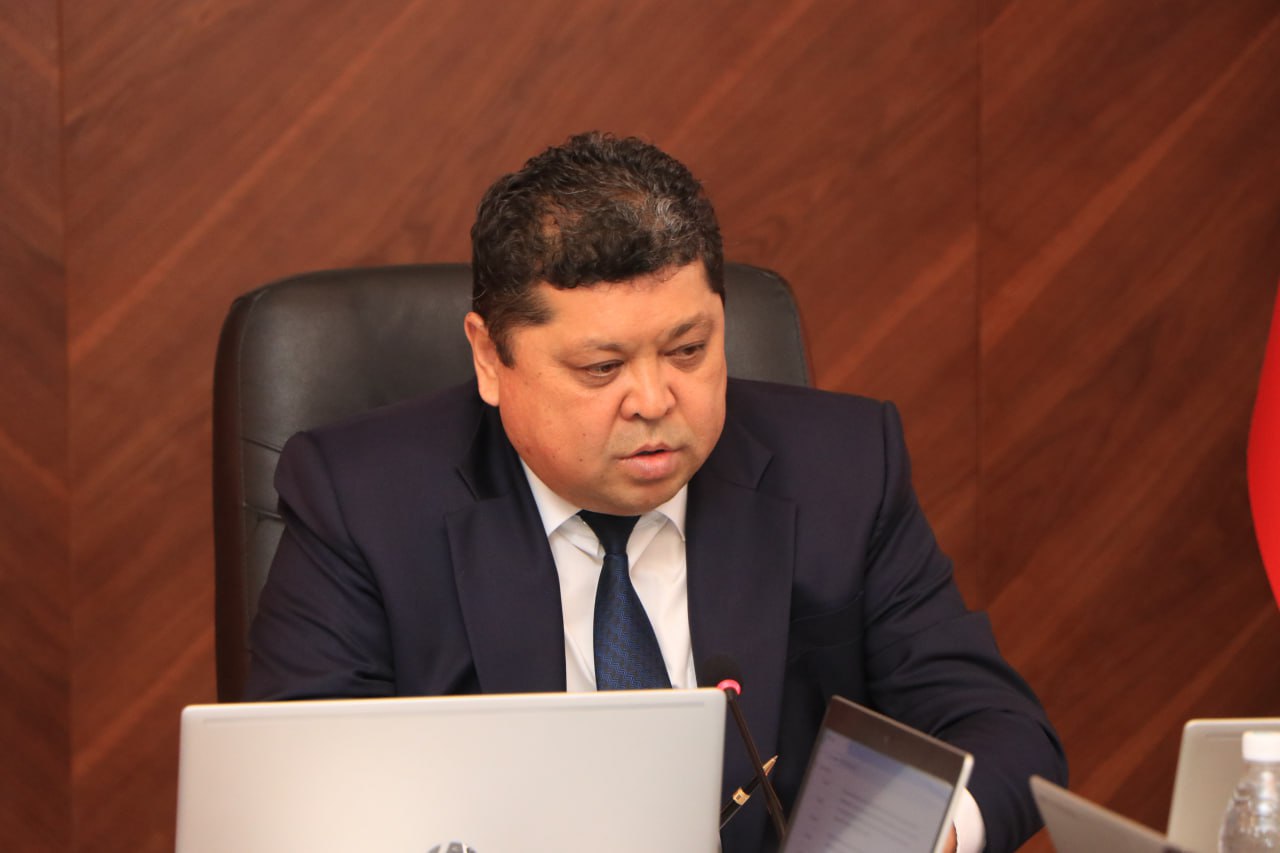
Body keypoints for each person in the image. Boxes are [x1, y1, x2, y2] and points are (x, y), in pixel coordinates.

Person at [245, 131, 1067, 853]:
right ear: (490, 358)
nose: (653, 400)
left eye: (688, 350)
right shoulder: (361, 501)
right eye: (602, 367)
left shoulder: (842, 469)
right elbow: (307, 802)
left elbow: (998, 730)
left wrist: (910, 835)